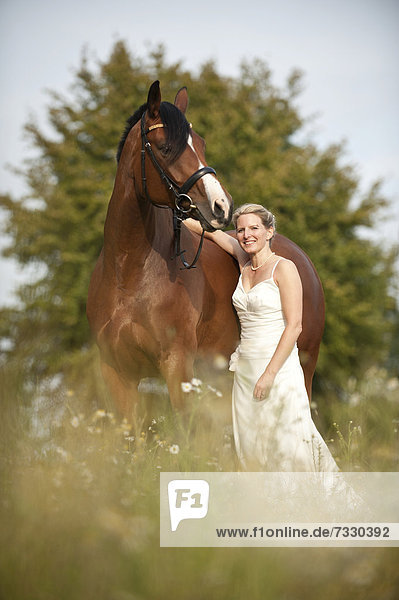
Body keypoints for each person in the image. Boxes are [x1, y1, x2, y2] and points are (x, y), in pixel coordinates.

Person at [185, 204, 339, 472]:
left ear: (269, 231)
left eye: (254, 228)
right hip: (245, 371)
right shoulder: (243, 263)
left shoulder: (284, 268)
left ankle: (307, 506)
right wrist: (174, 215)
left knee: (289, 447)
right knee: (251, 447)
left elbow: (294, 327)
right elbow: (212, 233)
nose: (246, 235)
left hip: (277, 370)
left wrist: (269, 375)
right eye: (242, 229)